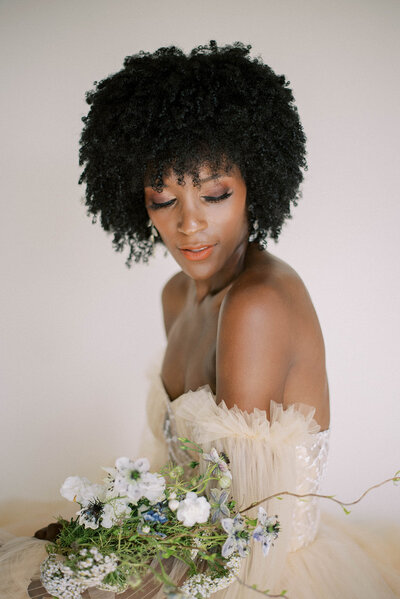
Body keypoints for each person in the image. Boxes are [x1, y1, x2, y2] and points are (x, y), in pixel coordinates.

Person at [0, 40, 399, 599]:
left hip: (249, 565)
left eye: (214, 194)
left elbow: (235, 525)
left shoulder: (255, 305)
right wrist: (102, 537)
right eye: (163, 201)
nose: (189, 225)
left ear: (255, 185)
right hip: (183, 538)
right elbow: (186, 482)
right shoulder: (176, 295)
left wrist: (108, 569)